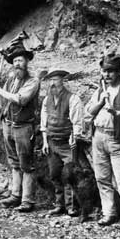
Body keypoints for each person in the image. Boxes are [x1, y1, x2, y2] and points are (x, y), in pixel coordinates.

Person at [85, 53, 120, 230]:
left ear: (119, 72)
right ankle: (109, 212)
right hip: (98, 137)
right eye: (104, 71)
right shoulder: (100, 90)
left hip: (116, 139)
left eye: (111, 71)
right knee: (102, 178)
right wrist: (101, 102)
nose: (107, 75)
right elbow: (89, 113)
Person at [0, 42, 40, 212]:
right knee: (14, 162)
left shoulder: (33, 81)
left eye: (20, 60)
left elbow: (21, 99)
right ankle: (15, 195)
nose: (17, 64)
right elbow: (2, 101)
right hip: (9, 125)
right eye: (15, 61)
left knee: (26, 163)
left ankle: (27, 200)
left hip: (24, 127)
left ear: (27, 62)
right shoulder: (11, 79)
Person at [40, 70, 84, 216]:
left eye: (55, 80)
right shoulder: (47, 100)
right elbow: (44, 123)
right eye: (50, 80)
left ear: (62, 81)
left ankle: (72, 206)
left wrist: (74, 137)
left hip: (67, 143)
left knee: (69, 175)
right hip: (52, 142)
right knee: (55, 174)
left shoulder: (73, 99)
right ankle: (60, 205)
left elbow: (77, 123)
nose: (52, 84)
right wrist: (45, 142)